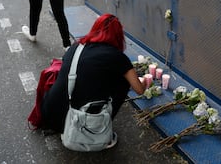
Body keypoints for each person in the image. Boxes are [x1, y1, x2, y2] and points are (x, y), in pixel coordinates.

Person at [40, 14, 145, 145]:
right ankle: (100, 130)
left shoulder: (76, 46)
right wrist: (145, 82)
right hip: (76, 122)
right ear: (118, 35)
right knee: (123, 82)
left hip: (51, 113)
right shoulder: (118, 57)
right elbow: (139, 90)